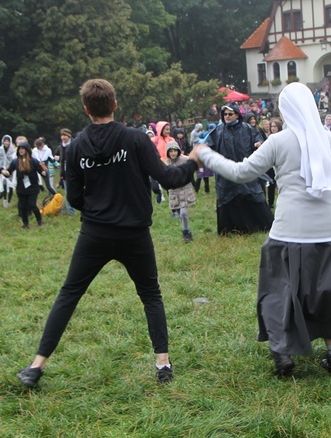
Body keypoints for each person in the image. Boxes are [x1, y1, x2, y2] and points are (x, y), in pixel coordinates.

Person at [193, 82, 331, 377]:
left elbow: (241, 172)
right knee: (329, 292)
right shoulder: (330, 140)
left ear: (285, 110)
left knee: (278, 291)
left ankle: (282, 352)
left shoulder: (278, 141)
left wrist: (205, 154)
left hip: (289, 232)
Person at [17, 79, 198, 388]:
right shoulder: (135, 139)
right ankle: (162, 363)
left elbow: (73, 198)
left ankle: (36, 365)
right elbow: (168, 178)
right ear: (115, 105)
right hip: (134, 234)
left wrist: (99, 207)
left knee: (69, 294)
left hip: (95, 234)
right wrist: (194, 160)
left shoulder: (74, 147)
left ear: (86, 109)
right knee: (151, 295)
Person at [204, 102, 273, 235]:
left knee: (252, 196)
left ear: (237, 115)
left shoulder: (248, 129)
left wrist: (259, 145)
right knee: (228, 197)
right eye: (225, 114)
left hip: (246, 169)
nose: (227, 116)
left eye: (230, 114)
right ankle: (230, 230)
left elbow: (260, 144)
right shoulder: (218, 131)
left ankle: (259, 226)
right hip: (226, 173)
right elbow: (208, 147)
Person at [2, 142, 46, 229]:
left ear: (27, 150)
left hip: (33, 187)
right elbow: (9, 171)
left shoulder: (33, 161)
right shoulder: (15, 161)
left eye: (23, 149)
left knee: (32, 204)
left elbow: (41, 170)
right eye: (20, 149)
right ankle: (25, 224)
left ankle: (40, 220)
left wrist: (43, 172)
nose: (21, 150)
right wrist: (5, 172)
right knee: (22, 206)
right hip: (21, 188)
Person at [164, 141, 196, 242]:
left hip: (185, 190)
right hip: (174, 192)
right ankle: (186, 231)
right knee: (179, 214)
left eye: (175, 151)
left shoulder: (184, 160)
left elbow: (193, 163)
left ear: (178, 151)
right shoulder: (166, 163)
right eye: (171, 151)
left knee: (183, 213)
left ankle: (186, 232)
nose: (173, 153)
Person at [54, 128, 76, 215]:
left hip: (75, 171)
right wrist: (58, 158)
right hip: (65, 172)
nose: (63, 137)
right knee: (68, 192)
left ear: (69, 136)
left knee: (77, 191)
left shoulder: (74, 143)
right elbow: (55, 155)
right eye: (62, 135)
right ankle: (71, 211)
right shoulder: (61, 146)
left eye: (65, 135)